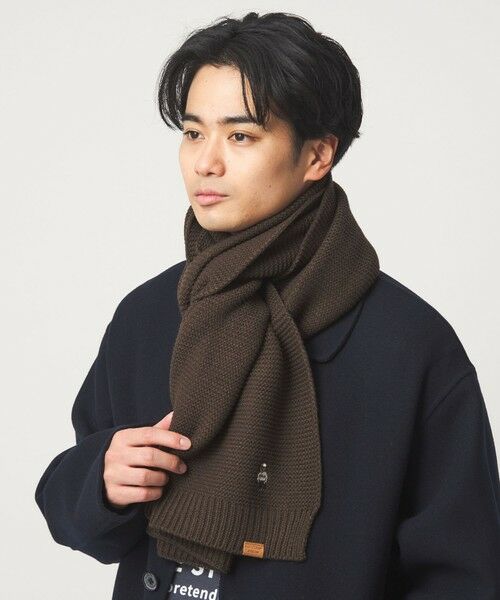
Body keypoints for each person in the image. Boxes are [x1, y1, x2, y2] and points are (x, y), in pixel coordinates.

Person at [35, 11, 500, 600]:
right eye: (193, 132)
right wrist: (101, 480)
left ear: (317, 155)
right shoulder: (150, 316)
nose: (205, 162)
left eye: (241, 136)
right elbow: (75, 513)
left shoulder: (407, 344)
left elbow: (465, 574)